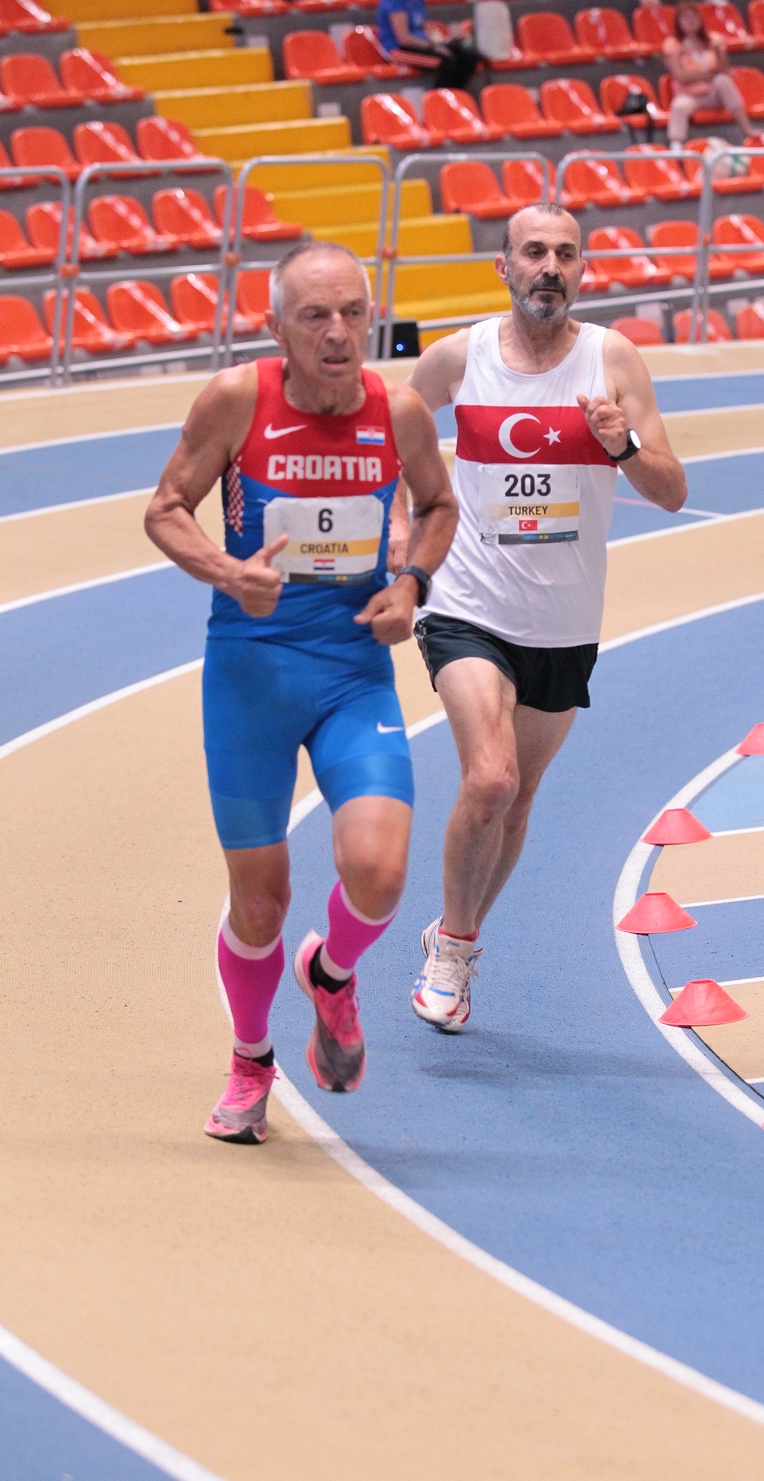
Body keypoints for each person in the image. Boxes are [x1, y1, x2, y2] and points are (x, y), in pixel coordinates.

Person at [145, 242, 458, 1144]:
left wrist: (412, 586)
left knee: (379, 870)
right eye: (315, 315)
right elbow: (166, 506)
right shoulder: (237, 400)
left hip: (353, 670)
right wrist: (226, 570)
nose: (338, 332)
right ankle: (251, 1061)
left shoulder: (398, 413)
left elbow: (438, 507)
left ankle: (331, 974)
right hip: (250, 673)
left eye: (353, 312)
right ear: (275, 327)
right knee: (260, 902)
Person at [402, 203, 687, 1032]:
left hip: (564, 621)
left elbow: (673, 492)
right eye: (534, 252)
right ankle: (453, 953)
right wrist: (402, 533)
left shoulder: (612, 359)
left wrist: (622, 447)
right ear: (505, 267)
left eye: (565, 254)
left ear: (583, 270)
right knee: (489, 779)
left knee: (518, 799)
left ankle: (456, 931)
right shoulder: (458, 357)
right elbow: (388, 437)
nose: (550, 267)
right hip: (467, 605)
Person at [663, 4, 753, 152]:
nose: (690, 22)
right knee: (679, 105)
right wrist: (710, 75)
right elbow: (681, 76)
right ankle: (676, 146)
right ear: (678, 23)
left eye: (693, 17)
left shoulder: (714, 40)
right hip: (689, 94)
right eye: (685, 18)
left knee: (723, 81)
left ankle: (747, 129)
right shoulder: (673, 44)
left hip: (712, 94)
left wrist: (717, 52)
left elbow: (723, 70)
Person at [376, 0, 484, 91]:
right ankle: (437, 98)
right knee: (447, 61)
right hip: (397, 49)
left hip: (420, 44)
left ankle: (454, 94)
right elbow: (403, 38)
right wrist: (432, 47)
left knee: (468, 56)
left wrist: (439, 41)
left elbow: (421, 27)